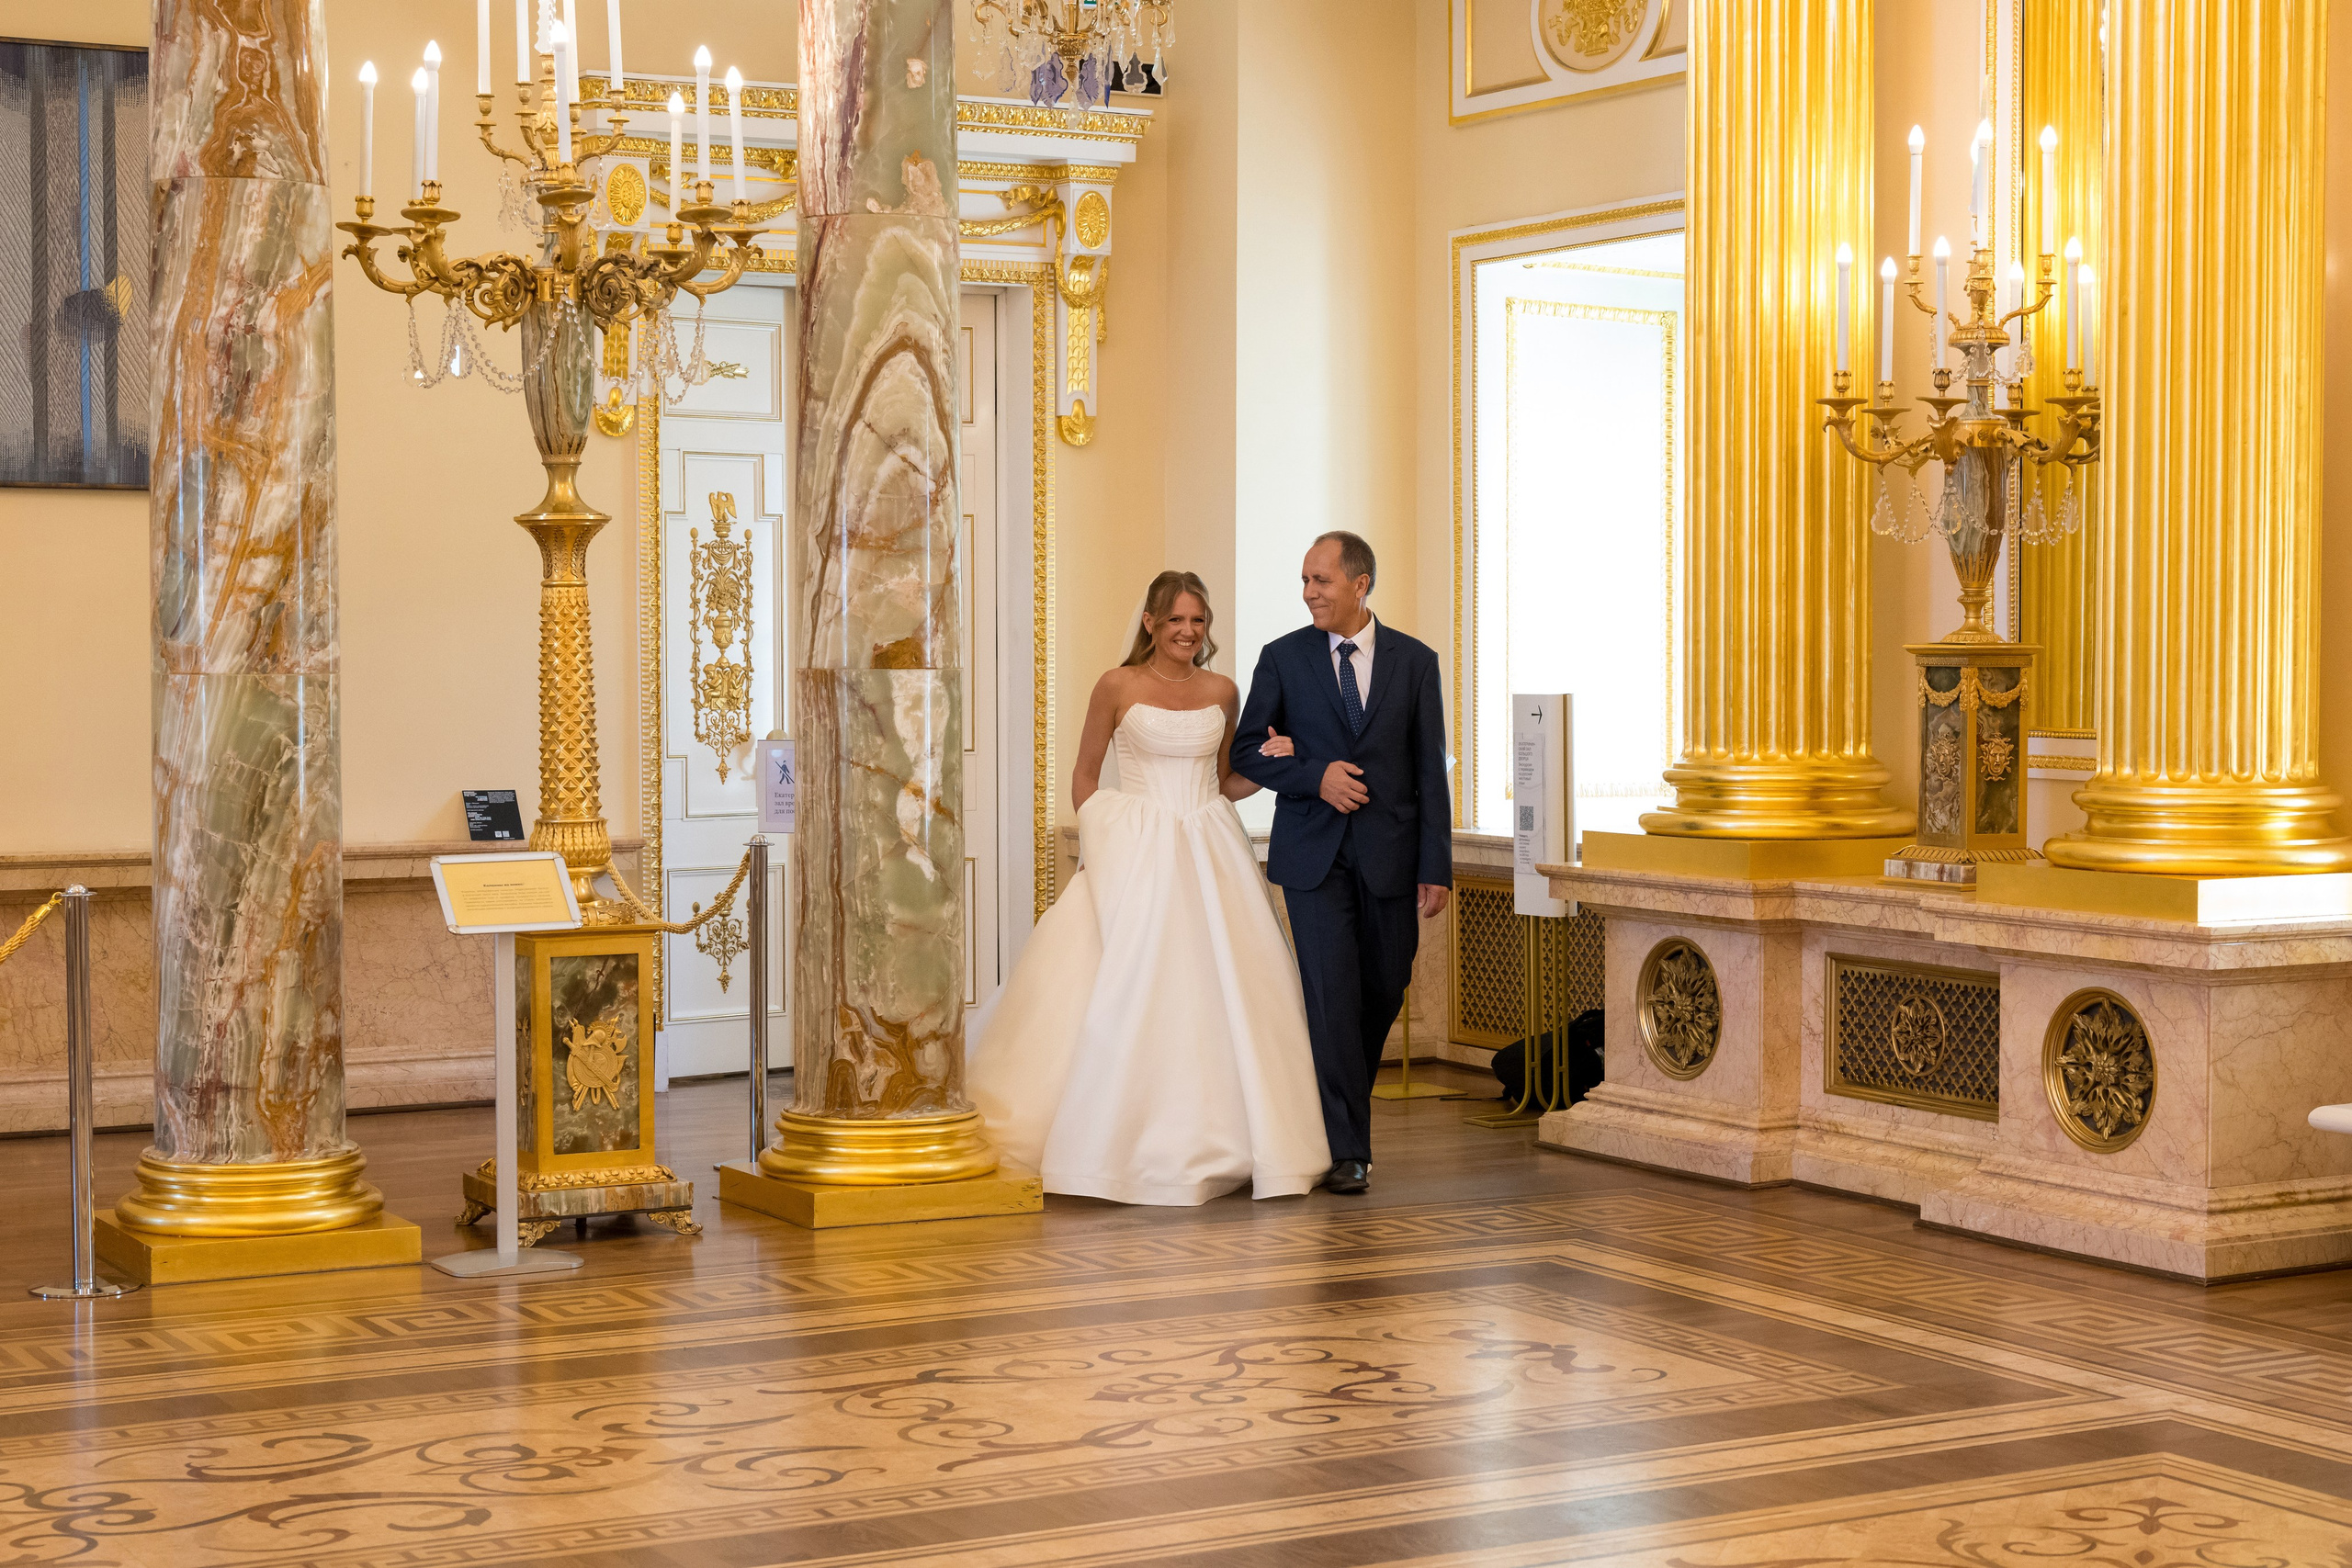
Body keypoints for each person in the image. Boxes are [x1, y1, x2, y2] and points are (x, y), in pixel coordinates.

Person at [966, 571, 1331, 1204]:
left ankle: (1234, 1137)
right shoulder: (1117, 684)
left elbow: (1223, 782)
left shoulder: (1223, 690)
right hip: (1134, 846)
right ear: (1150, 623)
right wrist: (1106, 840)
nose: (1189, 632)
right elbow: (1084, 774)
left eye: (1198, 620)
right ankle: (1105, 1135)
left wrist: (1274, 764)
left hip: (1209, 847)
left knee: (1222, 987)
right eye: (1176, 621)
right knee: (1118, 982)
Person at [1229, 532, 1452, 1196]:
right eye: (1304, 580)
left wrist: (1435, 865)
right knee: (1331, 996)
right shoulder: (1283, 658)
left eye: (1321, 580)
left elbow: (1429, 773)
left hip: (1391, 856)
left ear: (1360, 584)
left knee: (1383, 988)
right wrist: (1313, 775)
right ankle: (1348, 1147)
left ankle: (1336, 1105)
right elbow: (1245, 752)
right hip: (1313, 858)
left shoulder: (1416, 662)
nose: (1309, 593)